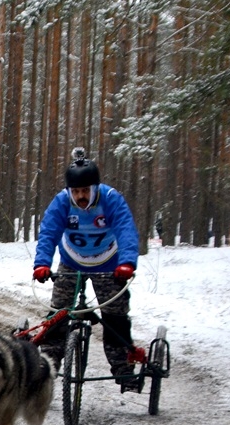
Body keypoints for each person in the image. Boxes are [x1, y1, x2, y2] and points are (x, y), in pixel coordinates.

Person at [33, 148, 141, 392]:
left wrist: (127, 263)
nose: (80, 196)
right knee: (58, 315)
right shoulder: (62, 202)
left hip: (109, 262)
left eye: (85, 191)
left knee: (115, 316)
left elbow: (126, 230)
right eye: (76, 191)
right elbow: (49, 232)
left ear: (95, 188)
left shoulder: (111, 199)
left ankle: (123, 369)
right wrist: (42, 264)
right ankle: (47, 367)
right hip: (72, 260)